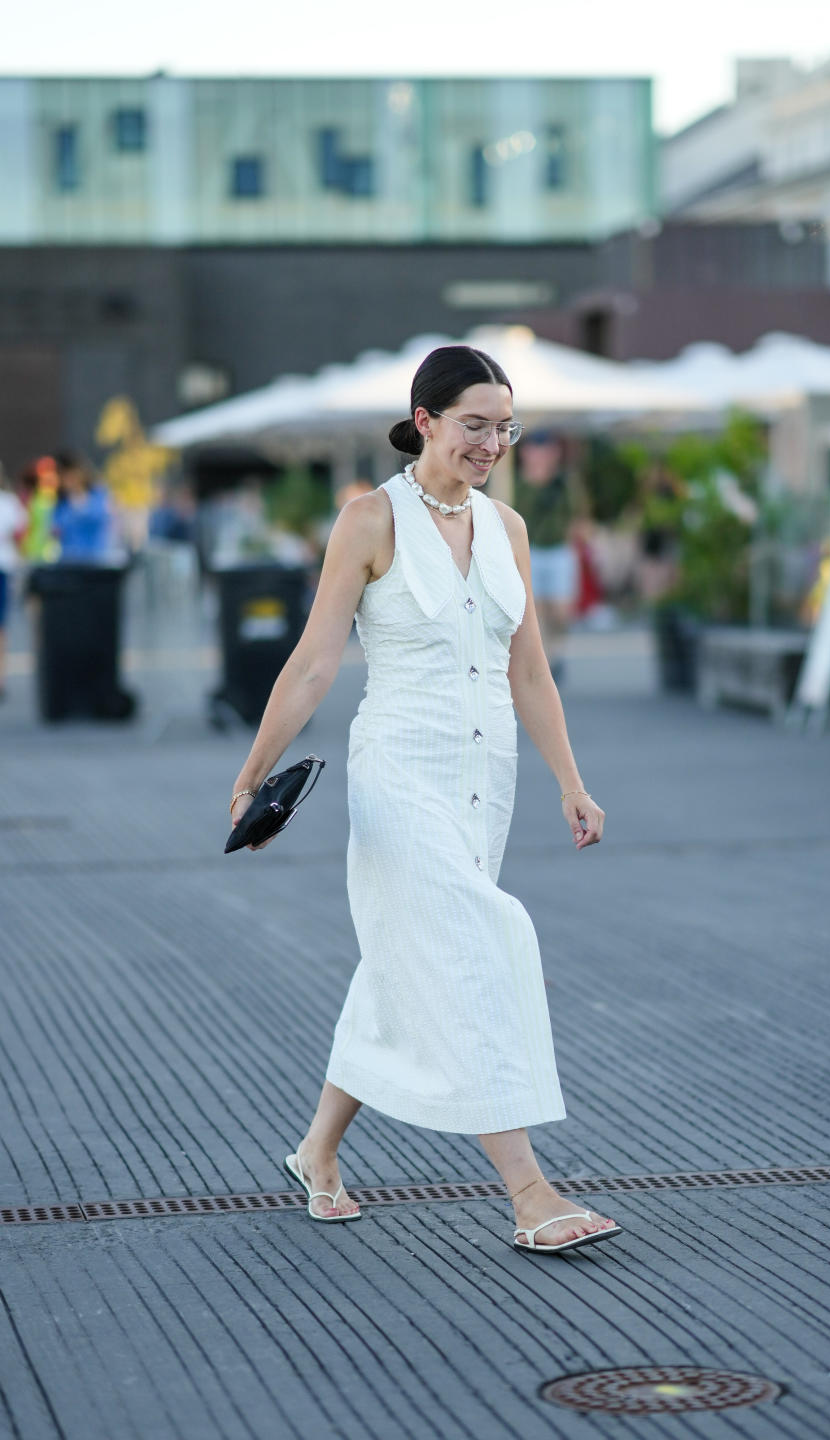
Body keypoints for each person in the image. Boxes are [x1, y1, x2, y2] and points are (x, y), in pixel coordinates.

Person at [230, 345, 620, 1256]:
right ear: (426, 419)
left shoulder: (509, 526)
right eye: (475, 424)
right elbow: (316, 659)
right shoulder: (370, 519)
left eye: (505, 427)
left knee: (406, 960)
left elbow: (530, 670)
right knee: (472, 950)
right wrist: (254, 773)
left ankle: (316, 1153)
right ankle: (530, 1192)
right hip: (399, 773)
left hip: (486, 783)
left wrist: (571, 780)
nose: (492, 443)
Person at [512, 432, 583, 684]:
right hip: (531, 550)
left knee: (561, 610)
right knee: (537, 608)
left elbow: (577, 514)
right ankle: (548, 659)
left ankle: (558, 651)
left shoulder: (563, 483)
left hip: (559, 549)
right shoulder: (518, 484)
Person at [52, 452, 114, 562]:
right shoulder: (60, 502)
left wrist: (80, 504)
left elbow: (100, 518)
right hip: (68, 562)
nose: (66, 481)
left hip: (95, 561)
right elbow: (56, 527)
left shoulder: (98, 494)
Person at [0, 465, 27, 699]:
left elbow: (20, 534)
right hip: (5, 567)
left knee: (1, 628)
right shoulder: (9, 503)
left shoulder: (8, 502)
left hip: (3, 568)